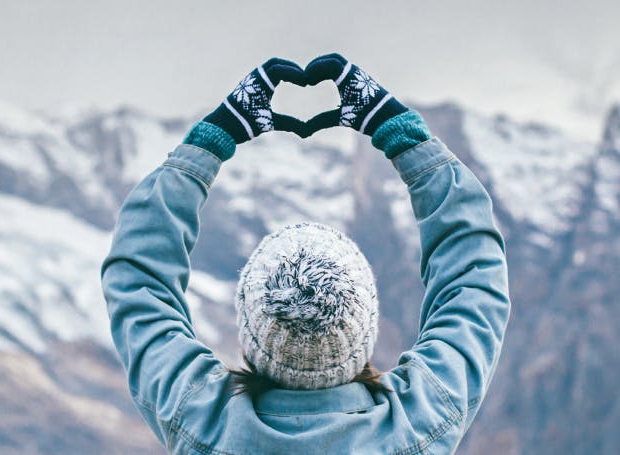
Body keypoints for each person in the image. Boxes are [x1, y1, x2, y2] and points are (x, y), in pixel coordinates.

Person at [100, 53, 511, 454]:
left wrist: (209, 143)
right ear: (364, 327)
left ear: (252, 332)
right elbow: (473, 278)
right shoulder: (421, 423)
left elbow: (138, 280)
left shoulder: (200, 421)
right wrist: (399, 132)